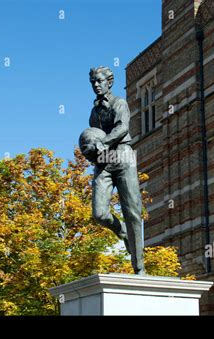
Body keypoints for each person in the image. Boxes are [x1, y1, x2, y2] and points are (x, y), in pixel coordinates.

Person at [82, 66, 145, 275]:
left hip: (124, 156)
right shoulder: (94, 111)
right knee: (99, 213)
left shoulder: (119, 103)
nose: (96, 85)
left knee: (133, 211)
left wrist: (104, 143)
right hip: (104, 161)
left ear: (109, 82)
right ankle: (122, 231)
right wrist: (91, 150)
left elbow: (122, 128)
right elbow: (95, 136)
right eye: (93, 83)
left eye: (100, 81)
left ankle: (139, 267)